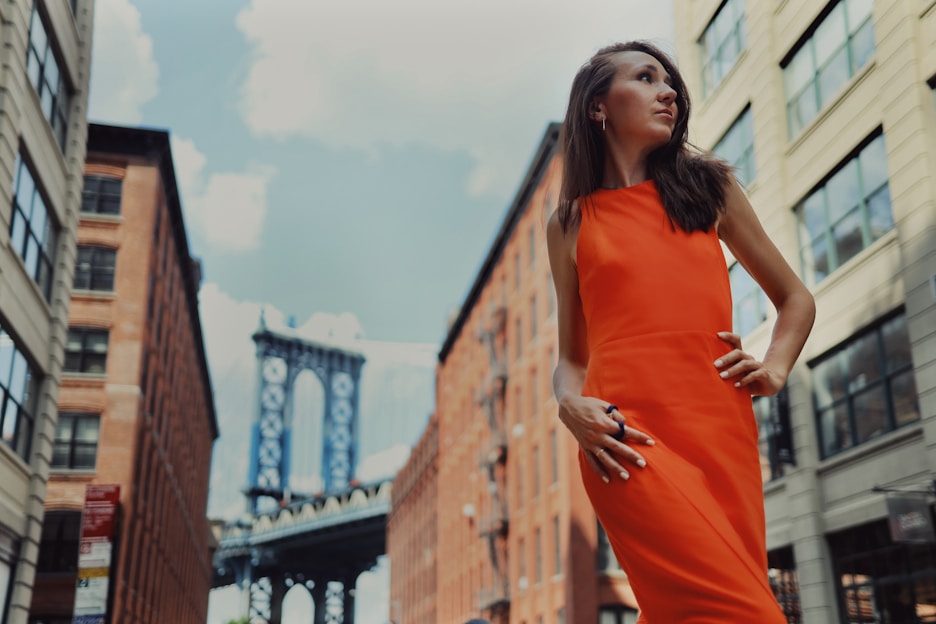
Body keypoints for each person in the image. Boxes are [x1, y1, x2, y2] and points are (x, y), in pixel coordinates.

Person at [546, 41, 816, 622]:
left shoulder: (709, 189)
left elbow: (795, 298)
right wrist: (571, 406)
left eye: (669, 83)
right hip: (625, 438)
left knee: (682, 611)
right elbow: (571, 356)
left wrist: (773, 367)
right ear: (599, 107)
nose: (666, 91)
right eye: (645, 78)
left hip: (721, 431)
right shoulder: (569, 222)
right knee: (746, 611)